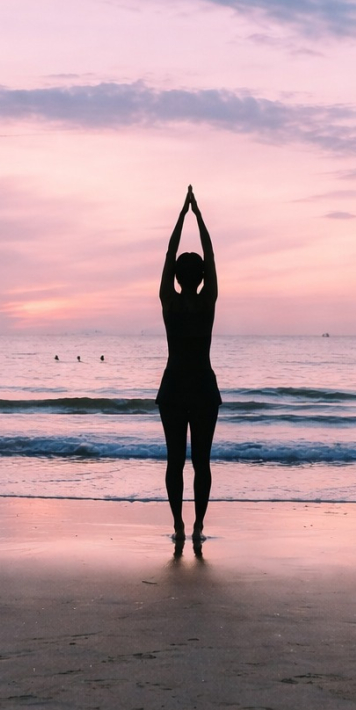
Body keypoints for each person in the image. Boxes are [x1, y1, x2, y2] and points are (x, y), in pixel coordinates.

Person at [156, 186, 221, 542]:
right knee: (201, 463)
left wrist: (182, 216)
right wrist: (198, 217)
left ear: (178, 278)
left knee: (175, 461)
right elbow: (211, 257)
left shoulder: (170, 302)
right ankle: (197, 527)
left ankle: (179, 526)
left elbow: (169, 254)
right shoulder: (207, 302)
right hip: (203, 389)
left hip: (174, 388)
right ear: (200, 279)